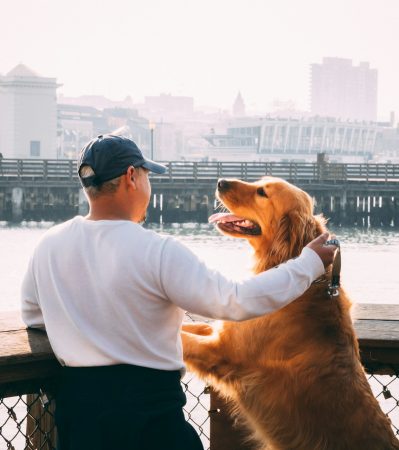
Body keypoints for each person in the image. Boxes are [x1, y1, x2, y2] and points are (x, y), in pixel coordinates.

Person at [21, 134, 337, 450]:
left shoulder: (48, 245)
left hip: (80, 421)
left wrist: (87, 328)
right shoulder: (158, 251)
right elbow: (234, 300)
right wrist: (308, 263)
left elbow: (34, 316)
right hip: (150, 419)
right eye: (146, 176)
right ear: (132, 177)